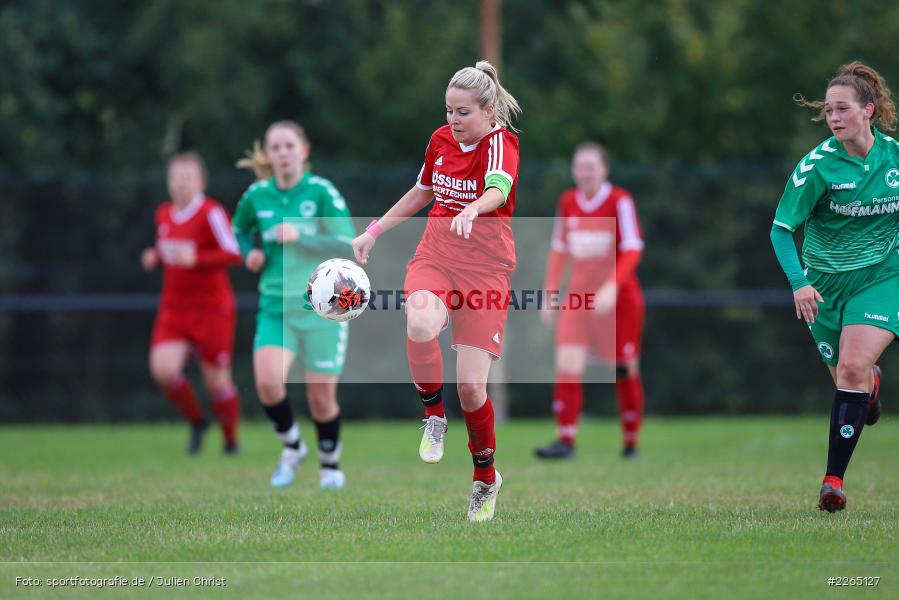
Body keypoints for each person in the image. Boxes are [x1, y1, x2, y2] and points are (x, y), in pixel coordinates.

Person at [352, 60, 521, 523]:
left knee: (471, 388)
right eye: (449, 110)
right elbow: (422, 190)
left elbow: (498, 187)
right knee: (421, 321)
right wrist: (373, 231)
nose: (453, 120)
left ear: (488, 112)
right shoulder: (440, 140)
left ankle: (485, 479)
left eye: (463, 112)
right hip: (436, 258)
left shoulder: (501, 144)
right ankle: (433, 415)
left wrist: (474, 208)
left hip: (486, 272)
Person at [771, 61, 896, 512]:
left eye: (842, 109)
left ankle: (833, 482)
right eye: (828, 111)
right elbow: (781, 230)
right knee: (848, 376)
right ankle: (870, 387)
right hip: (823, 288)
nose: (834, 118)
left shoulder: (894, 159)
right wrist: (799, 284)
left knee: (851, 367)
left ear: (868, 110)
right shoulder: (818, 167)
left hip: (882, 277)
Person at [233, 120, 356, 490]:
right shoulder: (257, 195)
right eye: (276, 147)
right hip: (276, 307)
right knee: (268, 383)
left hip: (322, 310)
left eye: (289, 146)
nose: (283, 153)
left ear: (304, 151)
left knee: (321, 399)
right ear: (268, 155)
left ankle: (330, 466)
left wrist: (301, 236)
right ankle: (293, 447)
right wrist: (249, 252)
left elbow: (346, 243)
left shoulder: (321, 192)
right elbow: (239, 229)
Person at [534, 143, 646, 460]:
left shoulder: (619, 200)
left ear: (604, 170)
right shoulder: (568, 201)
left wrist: (611, 287)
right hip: (578, 298)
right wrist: (550, 292)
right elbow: (559, 250)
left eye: (591, 166)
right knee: (567, 364)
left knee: (623, 369)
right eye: (580, 166)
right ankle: (565, 440)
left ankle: (630, 443)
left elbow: (633, 248)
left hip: (620, 299)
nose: (585, 172)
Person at [142, 152, 243, 455]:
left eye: (188, 177)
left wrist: (198, 259)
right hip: (174, 309)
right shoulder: (163, 213)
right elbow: (170, 253)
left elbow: (234, 252)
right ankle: (198, 422)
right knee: (163, 370)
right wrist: (156, 257)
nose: (181, 183)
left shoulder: (211, 212)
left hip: (212, 309)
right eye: (176, 177)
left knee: (217, 384)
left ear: (201, 182)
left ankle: (230, 441)